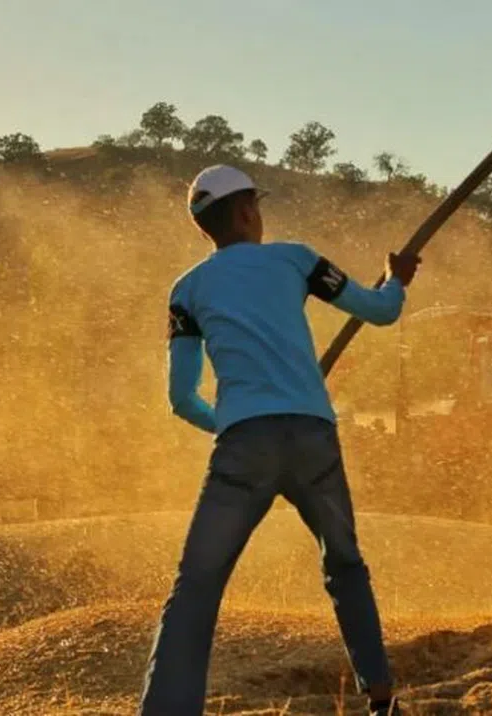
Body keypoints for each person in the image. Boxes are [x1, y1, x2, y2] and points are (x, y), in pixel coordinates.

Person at [140, 164, 419, 716]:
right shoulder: (296, 260)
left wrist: (235, 421)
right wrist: (397, 279)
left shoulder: (186, 291)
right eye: (257, 206)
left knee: (197, 585)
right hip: (314, 440)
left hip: (244, 448)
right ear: (247, 212)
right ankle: (381, 697)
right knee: (344, 564)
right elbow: (382, 312)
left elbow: (181, 398)